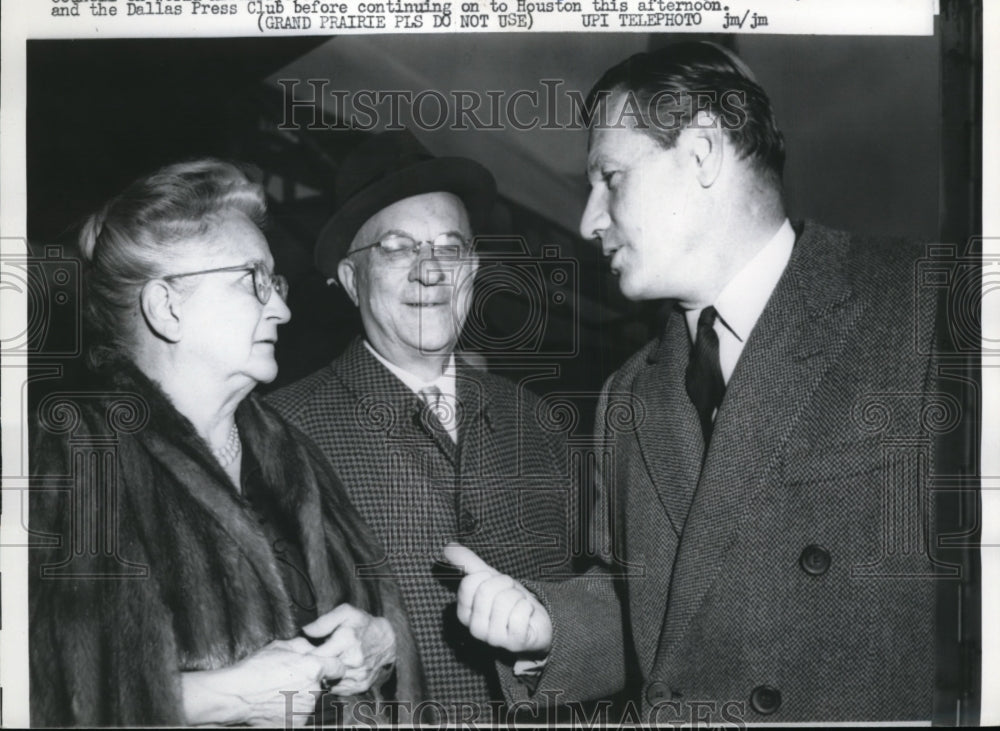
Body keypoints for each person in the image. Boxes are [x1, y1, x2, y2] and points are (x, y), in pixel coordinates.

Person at [445, 41, 944, 723]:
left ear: (703, 152)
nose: (588, 220)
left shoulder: (925, 307)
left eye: (610, 177)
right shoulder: (628, 393)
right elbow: (652, 602)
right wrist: (549, 627)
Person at [29, 159, 423, 726]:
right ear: (167, 307)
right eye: (253, 279)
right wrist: (217, 697)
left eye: (276, 281)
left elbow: (380, 644)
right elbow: (46, 697)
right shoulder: (72, 453)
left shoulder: (294, 455)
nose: (282, 308)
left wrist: (383, 645)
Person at [267, 130, 578, 718]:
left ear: (474, 268)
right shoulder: (278, 432)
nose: (430, 271)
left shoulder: (539, 423)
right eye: (396, 247)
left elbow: (604, 608)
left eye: (450, 248)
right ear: (352, 278)